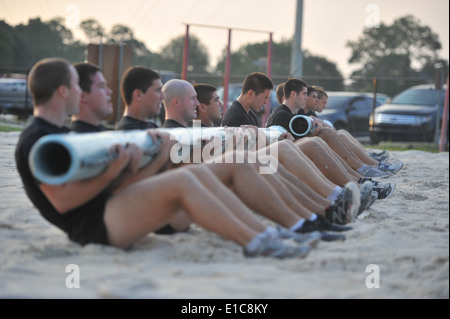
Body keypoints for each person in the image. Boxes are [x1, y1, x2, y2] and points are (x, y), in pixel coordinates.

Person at [15, 57, 330, 259]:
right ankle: (263, 242)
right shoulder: (37, 140)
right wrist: (123, 168)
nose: (80, 93)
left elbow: (113, 183)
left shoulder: (56, 134)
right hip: (95, 226)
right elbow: (65, 203)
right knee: (187, 178)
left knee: (229, 163)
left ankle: (282, 231)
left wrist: (143, 163)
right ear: (62, 91)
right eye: (75, 86)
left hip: (110, 208)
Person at [116, 66, 162, 130]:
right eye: (158, 90)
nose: (163, 97)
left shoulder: (151, 127)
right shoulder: (127, 132)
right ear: (138, 95)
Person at [70, 62, 113, 133]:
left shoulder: (110, 135)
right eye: (101, 86)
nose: (109, 91)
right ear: (83, 96)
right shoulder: (72, 140)